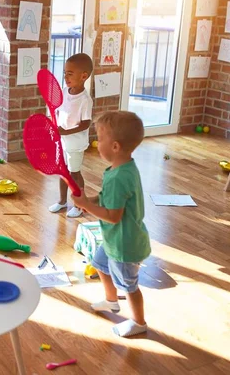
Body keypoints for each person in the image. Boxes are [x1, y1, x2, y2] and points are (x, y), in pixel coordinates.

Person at [72, 111, 151, 338]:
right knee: (99, 263)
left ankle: (138, 322)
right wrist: (90, 201)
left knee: (129, 286)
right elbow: (108, 200)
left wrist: (86, 204)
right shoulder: (122, 169)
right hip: (113, 239)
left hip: (124, 245)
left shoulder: (118, 177)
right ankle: (111, 301)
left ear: (115, 146)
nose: (97, 143)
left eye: (101, 138)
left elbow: (113, 215)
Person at [48, 53, 94, 218]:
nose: (65, 76)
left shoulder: (85, 100)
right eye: (65, 72)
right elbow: (59, 109)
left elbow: (85, 124)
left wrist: (66, 131)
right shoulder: (65, 91)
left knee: (74, 173)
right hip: (62, 140)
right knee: (63, 171)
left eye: (70, 73)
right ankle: (62, 201)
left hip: (75, 143)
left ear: (83, 76)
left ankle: (80, 204)